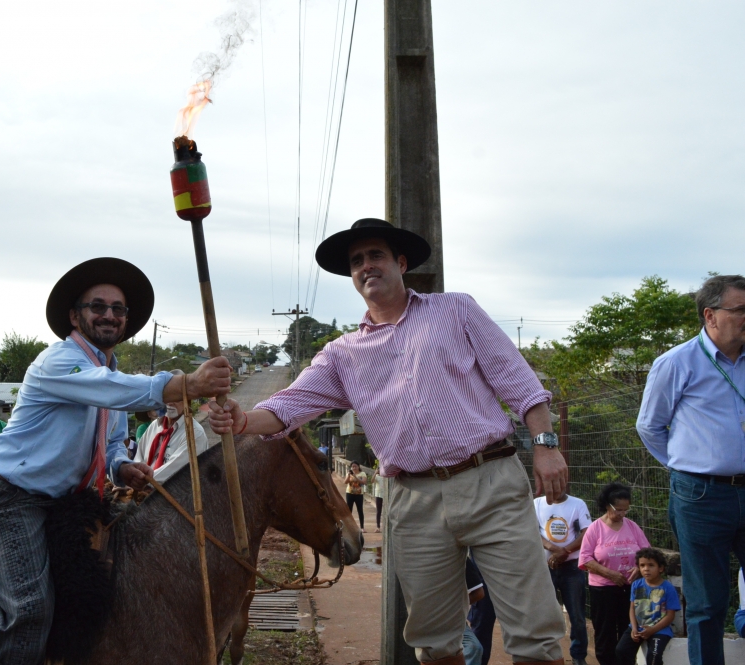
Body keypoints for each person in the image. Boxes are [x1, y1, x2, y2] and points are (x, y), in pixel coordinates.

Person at [210, 218, 569, 665]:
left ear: (400, 263)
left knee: (535, 634)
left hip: (490, 481)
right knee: (434, 642)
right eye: (357, 261)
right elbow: (288, 406)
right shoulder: (342, 354)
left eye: (375, 255)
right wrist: (242, 419)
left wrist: (547, 446)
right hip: (413, 499)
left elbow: (519, 382)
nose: (366, 266)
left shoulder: (455, 310)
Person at [0, 257, 232, 665]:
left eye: (118, 309)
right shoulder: (58, 361)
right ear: (75, 316)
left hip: (68, 500)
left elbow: (110, 444)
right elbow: (108, 389)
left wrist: (121, 466)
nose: (109, 315)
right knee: (29, 609)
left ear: (125, 321)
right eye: (98, 306)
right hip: (12, 497)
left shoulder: (110, 370)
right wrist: (188, 384)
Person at [636, 274, 745, 665]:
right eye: (741, 309)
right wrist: (685, 467)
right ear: (710, 315)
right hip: (700, 496)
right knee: (706, 601)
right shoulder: (676, 363)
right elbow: (649, 426)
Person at [578, 482, 650, 665]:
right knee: (605, 633)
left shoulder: (632, 526)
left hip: (631, 589)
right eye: (618, 509)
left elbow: (647, 552)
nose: (622, 514)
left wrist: (639, 568)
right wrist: (609, 574)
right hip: (603, 590)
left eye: (625, 510)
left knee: (629, 631)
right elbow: (585, 559)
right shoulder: (595, 529)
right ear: (607, 506)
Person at [535, 490, 592, 665]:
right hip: (545, 567)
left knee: (577, 615)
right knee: (544, 614)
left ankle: (578, 656)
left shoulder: (578, 504)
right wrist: (554, 548)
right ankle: (547, 654)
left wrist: (565, 551)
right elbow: (531, 530)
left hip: (572, 568)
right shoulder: (536, 504)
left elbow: (587, 532)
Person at [132, 371, 210, 483]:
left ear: (187, 401)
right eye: (167, 396)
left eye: (177, 397)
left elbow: (171, 472)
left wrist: (142, 482)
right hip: (143, 491)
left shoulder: (194, 434)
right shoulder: (154, 426)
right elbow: (138, 459)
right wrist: (133, 478)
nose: (171, 403)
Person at [615, 548, 681, 665]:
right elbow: (632, 608)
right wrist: (634, 629)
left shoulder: (668, 588)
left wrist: (652, 630)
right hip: (638, 628)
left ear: (661, 568)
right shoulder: (636, 584)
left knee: (653, 657)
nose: (646, 569)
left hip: (659, 630)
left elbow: (670, 616)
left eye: (651, 565)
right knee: (621, 651)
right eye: (642, 565)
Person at [463, 557, 487, 665]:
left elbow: (478, 593)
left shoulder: (459, 558)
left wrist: (451, 607)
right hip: (419, 618)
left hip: (451, 619)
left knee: (474, 648)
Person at [344, 461, 367, 532]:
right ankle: (349, 527)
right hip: (350, 493)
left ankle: (362, 527)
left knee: (360, 510)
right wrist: (348, 475)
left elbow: (363, 482)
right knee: (349, 510)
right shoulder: (349, 473)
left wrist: (355, 476)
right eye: (352, 466)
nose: (354, 468)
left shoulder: (362, 473)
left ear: (358, 466)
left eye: (355, 466)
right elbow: (345, 482)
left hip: (359, 494)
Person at [369, 464, 384, 533]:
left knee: (387, 511)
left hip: (385, 495)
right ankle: (378, 527)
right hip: (378, 494)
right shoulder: (377, 476)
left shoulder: (386, 477)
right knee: (378, 511)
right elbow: (372, 481)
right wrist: (375, 473)